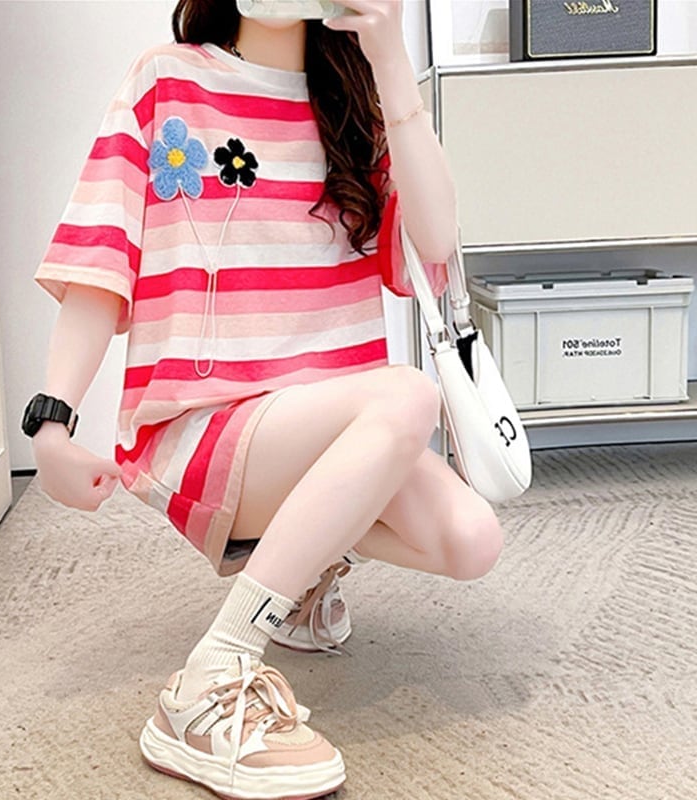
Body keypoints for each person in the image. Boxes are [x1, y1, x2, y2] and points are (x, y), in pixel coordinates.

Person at [26, 1, 504, 797]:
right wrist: (52, 421)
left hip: (327, 427)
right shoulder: (168, 81)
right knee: (405, 398)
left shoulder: (354, 107)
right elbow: (101, 260)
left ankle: (305, 567)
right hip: (201, 427)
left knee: (472, 540)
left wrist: (391, 62)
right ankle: (215, 672)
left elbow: (436, 241)